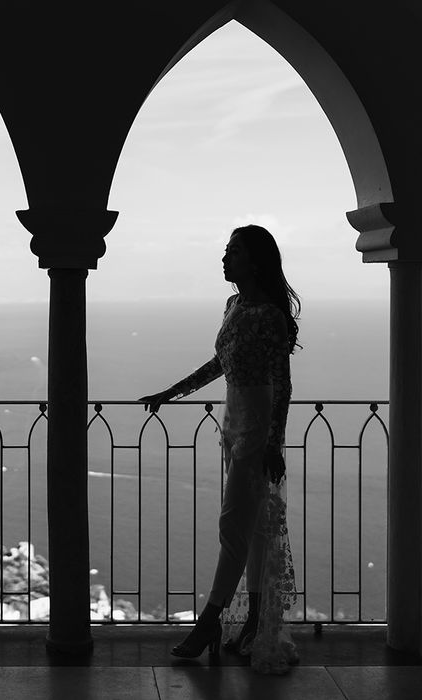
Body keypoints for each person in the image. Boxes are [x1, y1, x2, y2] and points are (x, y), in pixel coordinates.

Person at [139, 224, 300, 675]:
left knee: (234, 527)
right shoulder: (233, 306)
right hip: (233, 429)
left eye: (231, 251)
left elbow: (283, 383)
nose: (223, 258)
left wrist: (272, 441)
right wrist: (169, 393)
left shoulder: (268, 315)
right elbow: (220, 364)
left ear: (253, 260)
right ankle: (249, 621)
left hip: (256, 431)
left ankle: (209, 621)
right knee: (250, 530)